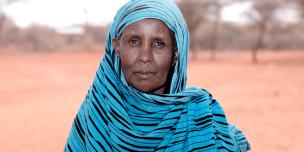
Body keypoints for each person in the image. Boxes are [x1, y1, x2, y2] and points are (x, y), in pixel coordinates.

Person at [65, 0, 250, 151]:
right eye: (134, 41)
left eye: (159, 44)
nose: (145, 57)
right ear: (117, 48)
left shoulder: (201, 116)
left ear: (176, 54)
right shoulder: (94, 116)